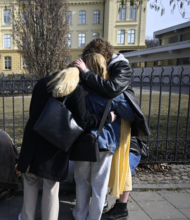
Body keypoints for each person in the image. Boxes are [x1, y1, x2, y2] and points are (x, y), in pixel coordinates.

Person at [17, 67, 117, 220]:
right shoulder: (75, 90)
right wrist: (107, 117)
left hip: (32, 141)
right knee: (51, 187)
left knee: (30, 181)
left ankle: (26, 217)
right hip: (54, 146)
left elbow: (33, 110)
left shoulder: (42, 83)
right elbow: (84, 121)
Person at [71, 38, 150, 212]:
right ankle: (96, 216)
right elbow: (129, 114)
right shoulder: (113, 93)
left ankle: (79, 214)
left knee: (83, 182)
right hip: (106, 142)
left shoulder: (79, 89)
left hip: (81, 140)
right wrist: (111, 115)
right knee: (100, 185)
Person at [101, 140, 142, 220]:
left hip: (130, 149)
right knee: (105, 164)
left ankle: (121, 209)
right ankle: (103, 201)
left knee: (126, 168)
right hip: (113, 147)